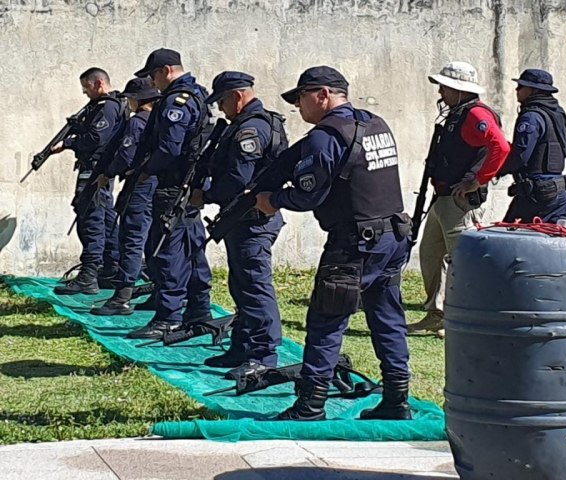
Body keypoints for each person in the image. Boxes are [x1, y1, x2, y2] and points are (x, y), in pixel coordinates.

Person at [255, 66, 413, 421]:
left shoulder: (326, 136)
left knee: (327, 321)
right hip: (392, 236)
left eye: (301, 98)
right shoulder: (375, 123)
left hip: (354, 244)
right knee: (388, 317)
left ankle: (311, 404)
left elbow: (307, 194)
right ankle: (396, 399)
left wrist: (272, 201)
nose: (298, 106)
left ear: (322, 95)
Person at [190, 71, 287, 373]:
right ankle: (243, 347)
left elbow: (238, 178)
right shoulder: (247, 125)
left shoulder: (251, 129)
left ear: (238, 96)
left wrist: (205, 196)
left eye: (222, 101)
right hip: (241, 218)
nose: (220, 109)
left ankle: (263, 356)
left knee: (255, 286)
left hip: (253, 219)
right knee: (242, 284)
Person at [409, 61, 509, 337]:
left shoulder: (475, 114)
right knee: (430, 253)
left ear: (458, 89)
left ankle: (468, 316)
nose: (440, 92)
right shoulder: (458, 113)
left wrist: (477, 180)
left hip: (460, 201)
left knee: (464, 260)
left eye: (444, 86)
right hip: (444, 197)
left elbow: (500, 147)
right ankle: (437, 314)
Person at [126, 48, 213, 339]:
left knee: (168, 250)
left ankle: (168, 316)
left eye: (153, 75)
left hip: (173, 185)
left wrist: (145, 170)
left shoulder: (178, 99)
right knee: (192, 247)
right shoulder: (195, 94)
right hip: (187, 186)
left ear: (165, 71)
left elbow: (169, 148)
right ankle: (199, 310)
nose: (152, 82)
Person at [52, 67, 126, 295]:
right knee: (103, 217)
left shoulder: (108, 107)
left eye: (87, 88)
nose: (86, 94)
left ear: (99, 84)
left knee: (91, 219)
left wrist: (69, 143)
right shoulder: (108, 106)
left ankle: (90, 274)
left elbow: (96, 138)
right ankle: (109, 269)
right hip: (99, 170)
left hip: (95, 170)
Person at [91, 77, 161, 316]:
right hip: (158, 185)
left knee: (131, 239)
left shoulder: (138, 123)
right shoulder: (160, 121)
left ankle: (122, 297)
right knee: (152, 240)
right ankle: (158, 290)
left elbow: (126, 156)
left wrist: (108, 173)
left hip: (140, 187)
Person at [499, 69, 566, 223]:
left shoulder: (531, 116)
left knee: (509, 237)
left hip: (537, 194)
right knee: (554, 240)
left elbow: (521, 155)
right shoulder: (557, 113)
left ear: (533, 90)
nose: (516, 90)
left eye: (520, 87)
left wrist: (498, 170)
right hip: (559, 191)